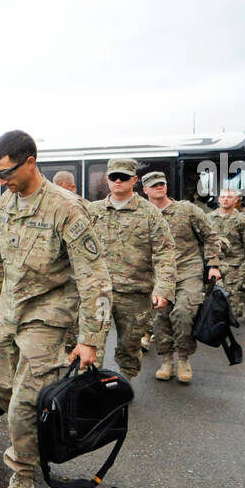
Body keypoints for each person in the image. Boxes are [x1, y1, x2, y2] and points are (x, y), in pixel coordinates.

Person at [0, 130, 112, 488]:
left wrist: (90, 339)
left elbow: (95, 279)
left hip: (49, 314)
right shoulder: (6, 202)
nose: (1, 181)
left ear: (31, 162)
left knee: (23, 401)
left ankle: (22, 480)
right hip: (10, 309)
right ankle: (38, 431)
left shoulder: (67, 208)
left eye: (6, 173)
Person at [87, 159, 175, 379]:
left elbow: (165, 252)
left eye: (124, 177)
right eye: (114, 176)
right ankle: (91, 390)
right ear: (107, 179)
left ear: (134, 180)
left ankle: (124, 387)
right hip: (99, 293)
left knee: (129, 348)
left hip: (135, 295)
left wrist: (163, 289)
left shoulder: (149, 213)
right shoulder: (92, 211)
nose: (118, 180)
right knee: (91, 344)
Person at [142, 171, 221, 384]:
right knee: (160, 318)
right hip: (158, 275)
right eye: (154, 184)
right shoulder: (143, 215)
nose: (159, 187)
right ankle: (167, 360)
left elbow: (210, 236)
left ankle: (184, 358)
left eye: (161, 183)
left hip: (188, 270)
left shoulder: (187, 210)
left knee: (184, 313)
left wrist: (213, 264)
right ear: (145, 190)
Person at [209, 188, 245, 317]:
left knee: (233, 308)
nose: (225, 199)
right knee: (213, 300)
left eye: (229, 197)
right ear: (219, 199)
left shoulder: (242, 221)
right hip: (213, 264)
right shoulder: (208, 218)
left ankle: (243, 302)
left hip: (236, 266)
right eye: (223, 197)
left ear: (236, 200)